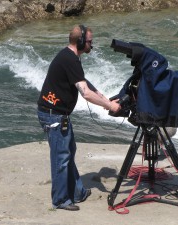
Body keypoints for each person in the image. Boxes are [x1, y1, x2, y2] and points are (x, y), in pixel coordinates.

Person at [37, 25, 121, 211]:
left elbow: (83, 82)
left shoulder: (71, 57)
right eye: (90, 41)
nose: (92, 44)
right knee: (61, 158)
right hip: (53, 115)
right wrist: (110, 106)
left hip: (58, 114)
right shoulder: (69, 59)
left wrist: (104, 97)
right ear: (81, 41)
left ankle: (77, 192)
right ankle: (60, 200)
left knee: (69, 151)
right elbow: (86, 94)